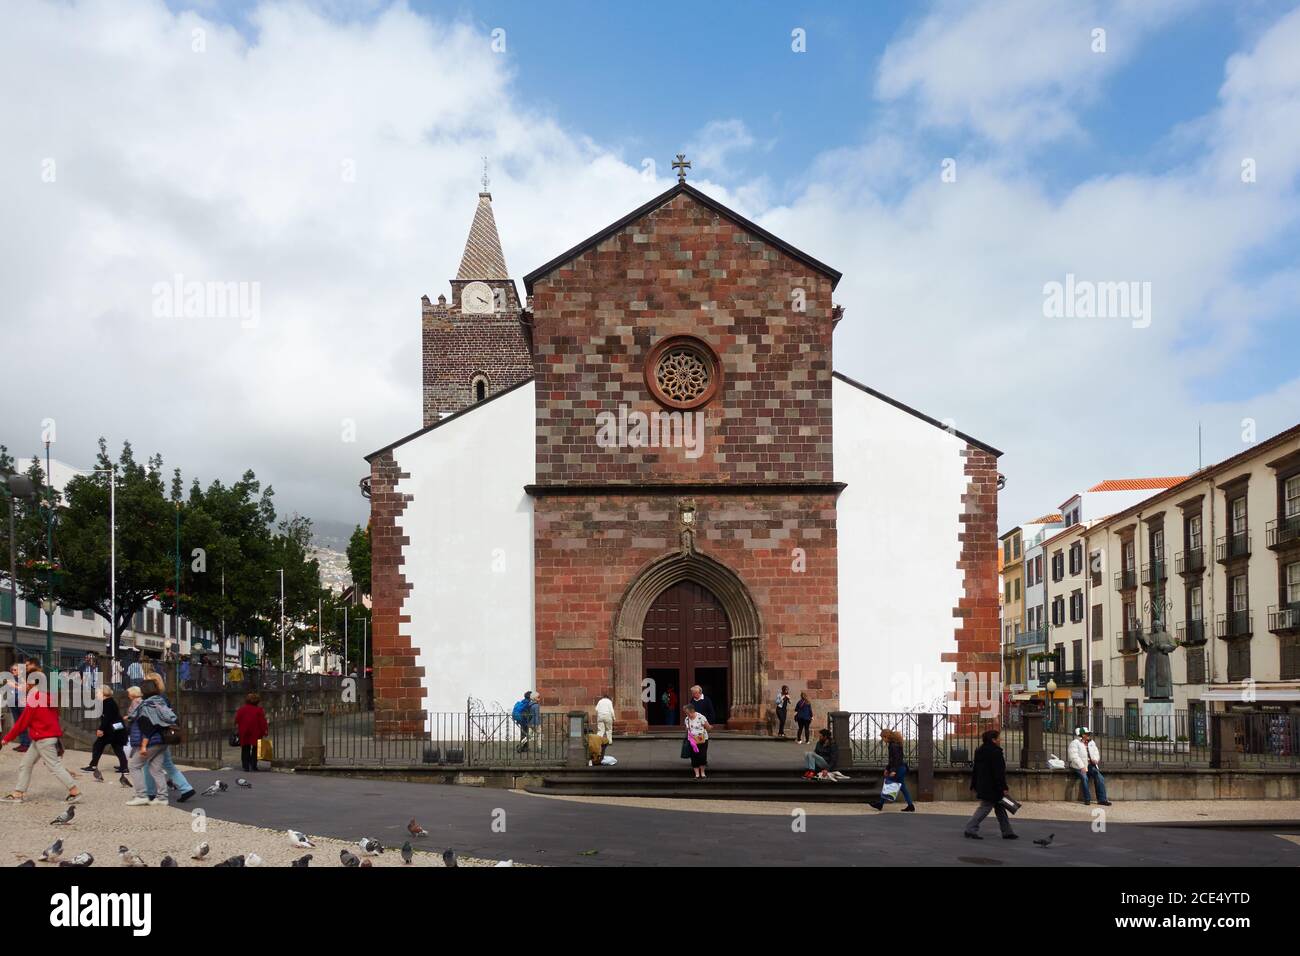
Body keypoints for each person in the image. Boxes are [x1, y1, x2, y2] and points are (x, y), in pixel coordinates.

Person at [0, 663, 82, 805]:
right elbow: (54, 715)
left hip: (43, 737)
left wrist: (6, 738)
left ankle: (74, 791)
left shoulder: (34, 698)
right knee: (26, 764)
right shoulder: (45, 695)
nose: (24, 684)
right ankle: (18, 793)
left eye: (25, 681)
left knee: (54, 766)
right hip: (42, 737)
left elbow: (22, 722)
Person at [140, 673, 196, 802]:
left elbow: (152, 719)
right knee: (166, 764)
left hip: (156, 737)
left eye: (146, 682)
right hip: (163, 736)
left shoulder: (153, 699)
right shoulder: (163, 697)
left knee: (148, 764)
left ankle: (151, 792)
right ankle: (185, 788)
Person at [125, 678, 176, 807]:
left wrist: (143, 745)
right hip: (162, 741)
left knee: (134, 766)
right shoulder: (160, 702)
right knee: (156, 769)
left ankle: (141, 795)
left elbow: (148, 726)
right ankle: (162, 798)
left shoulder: (147, 705)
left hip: (151, 742)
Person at [964, 729, 1017, 840]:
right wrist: (1003, 787)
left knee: (1000, 807)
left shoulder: (980, 751)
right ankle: (970, 828)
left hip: (983, 784)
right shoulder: (996, 752)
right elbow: (999, 773)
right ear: (993, 740)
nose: (1000, 740)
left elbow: (976, 770)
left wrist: (974, 784)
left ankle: (1007, 831)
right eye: (998, 738)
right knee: (985, 807)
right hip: (993, 786)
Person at [84, 685, 128, 775]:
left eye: (97, 692)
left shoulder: (106, 703)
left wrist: (101, 729)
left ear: (103, 693)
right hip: (116, 729)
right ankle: (124, 767)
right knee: (117, 748)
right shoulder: (110, 702)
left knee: (98, 746)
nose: (96, 695)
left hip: (111, 730)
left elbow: (107, 718)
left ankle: (93, 766)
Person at [869, 728, 915, 811]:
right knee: (902, 787)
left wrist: (893, 771)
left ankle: (880, 804)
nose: (882, 740)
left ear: (886, 736)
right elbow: (892, 760)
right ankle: (910, 805)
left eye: (883, 737)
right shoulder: (894, 744)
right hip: (900, 768)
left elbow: (896, 760)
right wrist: (887, 768)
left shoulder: (893, 746)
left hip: (899, 769)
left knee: (888, 784)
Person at [1068, 727, 1111, 807]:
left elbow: (1096, 752)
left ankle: (1102, 799)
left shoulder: (1091, 742)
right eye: (1087, 734)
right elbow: (1074, 756)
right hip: (1079, 766)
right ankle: (1087, 799)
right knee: (1084, 778)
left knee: (1100, 777)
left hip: (1090, 765)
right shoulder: (1075, 743)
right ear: (1082, 735)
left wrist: (1095, 759)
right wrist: (1082, 766)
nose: (1089, 735)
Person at [235, 692, 269, 772]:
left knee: (245, 748)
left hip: (244, 731)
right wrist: (265, 731)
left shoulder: (241, 709)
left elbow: (237, 720)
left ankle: (245, 766)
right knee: (255, 748)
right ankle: (254, 765)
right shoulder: (259, 710)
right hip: (256, 731)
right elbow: (262, 722)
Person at [2, 663, 30, 752]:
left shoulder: (24, 679)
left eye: (15, 670)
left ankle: (27, 744)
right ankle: (24, 743)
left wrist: (15, 685)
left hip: (22, 704)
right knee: (18, 724)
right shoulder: (11, 679)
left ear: (20, 671)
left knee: (24, 723)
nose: (12, 671)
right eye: (12, 670)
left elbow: (24, 689)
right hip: (13, 704)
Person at [682, 702, 711, 779]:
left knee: (702, 756)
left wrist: (708, 727)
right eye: (686, 713)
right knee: (694, 757)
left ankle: (703, 773)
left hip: (702, 740)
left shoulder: (701, 717)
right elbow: (687, 728)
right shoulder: (687, 719)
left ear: (692, 711)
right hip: (692, 740)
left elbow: (708, 727)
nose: (687, 715)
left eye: (688, 713)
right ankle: (697, 774)